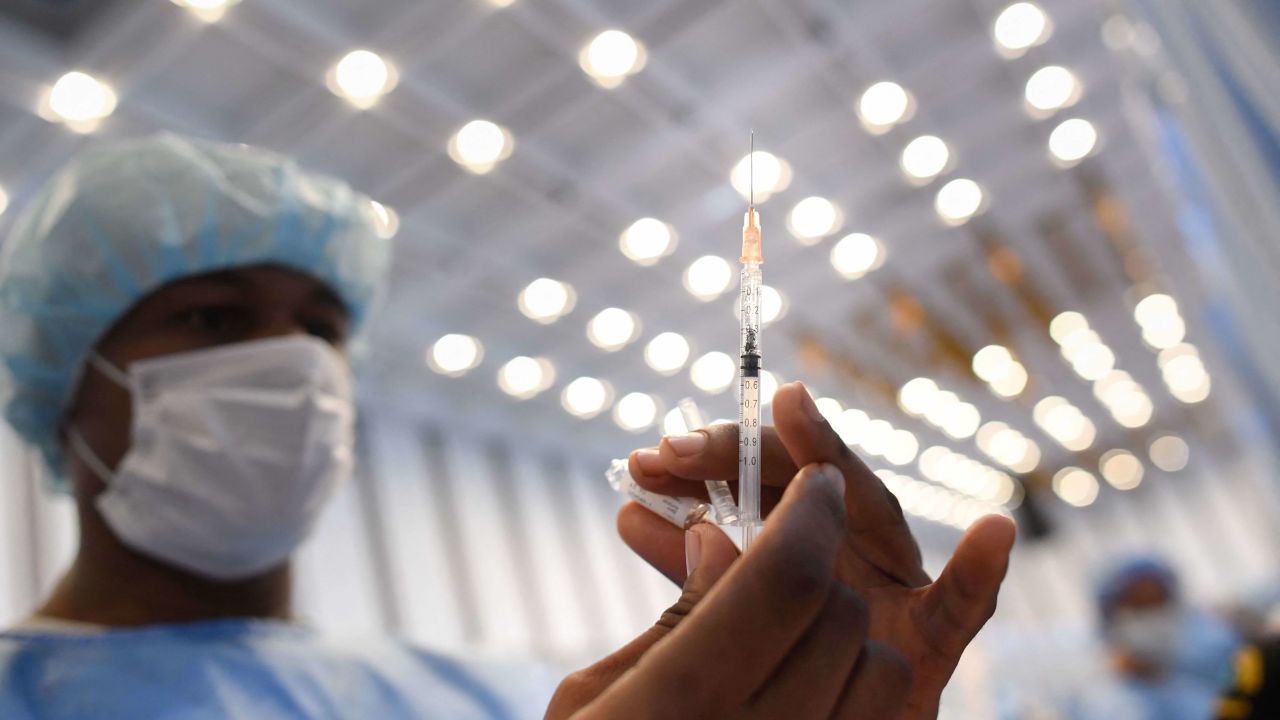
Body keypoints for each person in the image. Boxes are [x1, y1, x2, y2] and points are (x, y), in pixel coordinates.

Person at [0, 133, 1016, 719]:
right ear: (62, 383)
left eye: (321, 328)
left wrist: (818, 681)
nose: (296, 363)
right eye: (212, 317)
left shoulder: (482, 698)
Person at [1071, 556, 1240, 720]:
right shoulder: (1105, 701)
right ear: (1110, 617)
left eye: (1156, 602)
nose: (1149, 614)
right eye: (1137, 605)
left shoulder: (1218, 650)